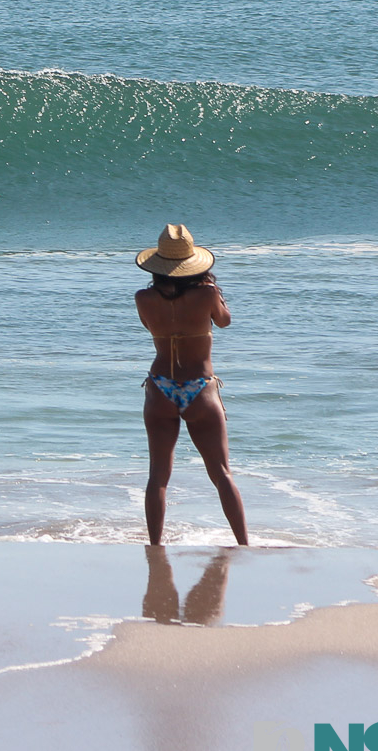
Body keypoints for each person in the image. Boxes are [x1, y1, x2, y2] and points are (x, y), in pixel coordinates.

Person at [134, 224, 248, 546]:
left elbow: (149, 325)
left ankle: (155, 547)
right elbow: (224, 321)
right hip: (199, 386)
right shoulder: (207, 294)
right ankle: (244, 546)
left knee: (158, 476)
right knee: (221, 474)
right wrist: (214, 290)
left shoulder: (143, 297)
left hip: (160, 385)